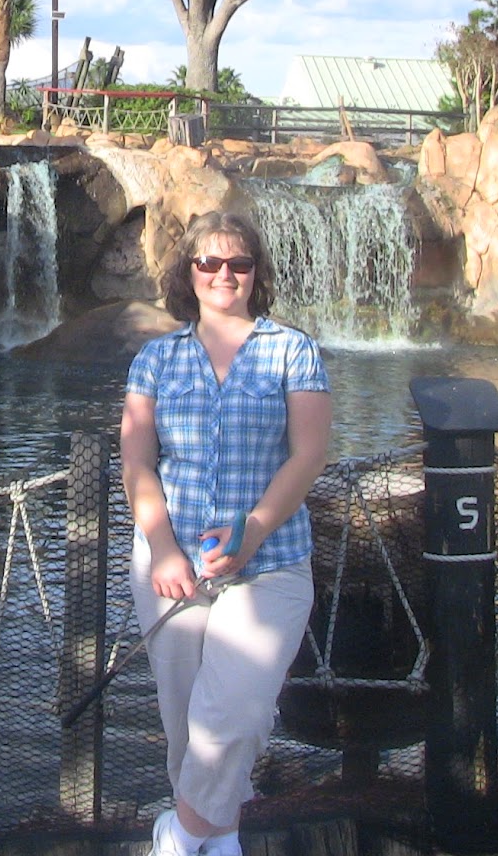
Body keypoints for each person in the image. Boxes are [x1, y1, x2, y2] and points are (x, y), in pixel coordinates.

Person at [120, 211, 331, 856]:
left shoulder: (292, 350)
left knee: (236, 713)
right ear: (188, 273)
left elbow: (310, 454)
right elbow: (137, 462)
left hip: (271, 564)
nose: (224, 274)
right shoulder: (156, 359)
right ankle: (221, 837)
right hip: (172, 567)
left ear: (256, 273)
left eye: (238, 263)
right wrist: (163, 549)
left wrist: (254, 531)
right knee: (185, 720)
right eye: (208, 262)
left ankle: (180, 834)